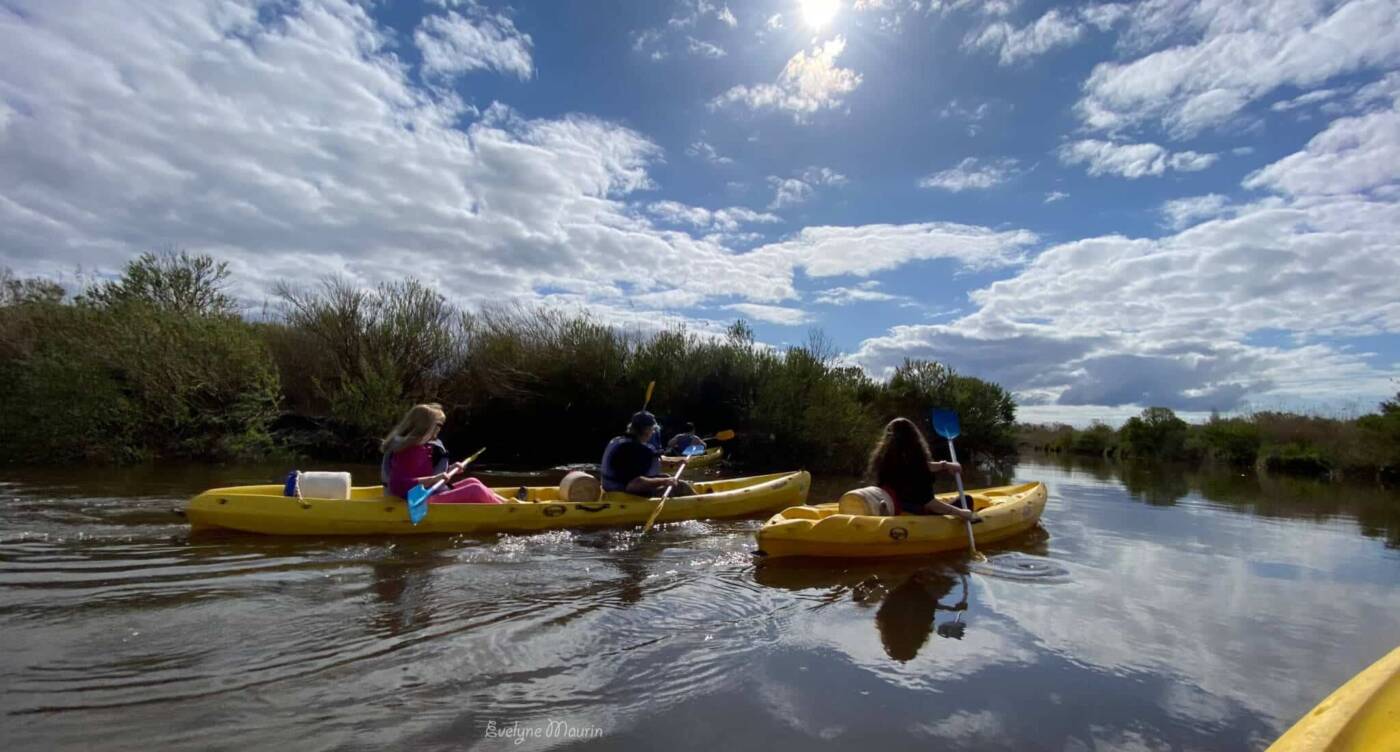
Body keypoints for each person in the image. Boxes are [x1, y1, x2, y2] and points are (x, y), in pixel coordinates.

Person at [381, 403, 504, 504]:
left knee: (473, 481)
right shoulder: (406, 450)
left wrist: (450, 469)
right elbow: (398, 485)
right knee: (475, 490)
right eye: (439, 424)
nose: (440, 428)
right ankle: (509, 510)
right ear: (426, 426)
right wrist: (434, 479)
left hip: (424, 494)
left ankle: (509, 503)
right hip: (416, 500)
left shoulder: (423, 446)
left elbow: (423, 474)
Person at [866, 417, 979, 520]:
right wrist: (960, 512)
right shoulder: (916, 467)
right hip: (919, 514)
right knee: (966, 499)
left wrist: (946, 465)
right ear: (915, 438)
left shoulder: (884, 460)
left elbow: (923, 466)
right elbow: (929, 503)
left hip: (896, 504)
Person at [601, 411, 695, 497]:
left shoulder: (618, 440)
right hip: (624, 495)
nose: (653, 432)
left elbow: (652, 459)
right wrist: (665, 481)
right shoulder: (636, 449)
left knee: (665, 476)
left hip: (609, 489)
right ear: (646, 430)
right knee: (681, 487)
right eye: (652, 429)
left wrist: (675, 462)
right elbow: (633, 485)